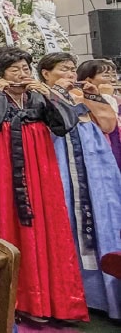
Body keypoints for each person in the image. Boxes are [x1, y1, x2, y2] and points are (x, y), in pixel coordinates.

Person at [0, 46, 85, 323]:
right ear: (0, 73)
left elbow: (64, 125)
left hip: (39, 167)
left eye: (25, 68)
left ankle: (53, 299)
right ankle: (17, 300)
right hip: (4, 166)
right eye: (15, 69)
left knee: (47, 222)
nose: (22, 74)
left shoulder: (38, 96)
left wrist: (50, 95)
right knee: (8, 220)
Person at [39, 53, 121, 320]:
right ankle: (76, 294)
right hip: (64, 163)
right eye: (64, 70)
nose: (70, 75)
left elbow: (108, 125)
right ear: (45, 74)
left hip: (98, 169)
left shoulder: (83, 95)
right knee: (70, 222)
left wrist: (92, 96)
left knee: (105, 219)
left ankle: (110, 293)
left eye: (73, 70)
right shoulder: (43, 97)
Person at [78, 59, 121, 172]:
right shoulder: (81, 100)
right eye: (106, 75)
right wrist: (105, 97)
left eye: (114, 75)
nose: (112, 79)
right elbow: (107, 126)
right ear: (88, 80)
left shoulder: (118, 99)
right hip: (102, 150)